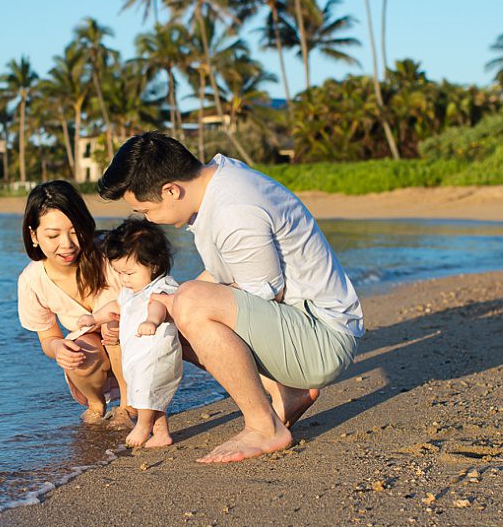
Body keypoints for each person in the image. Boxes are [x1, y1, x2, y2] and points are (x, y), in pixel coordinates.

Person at [98, 131, 362, 463]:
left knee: (189, 302)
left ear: (171, 190)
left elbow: (265, 292)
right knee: (177, 308)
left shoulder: (233, 208)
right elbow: (228, 278)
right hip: (302, 326)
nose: (149, 220)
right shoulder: (218, 183)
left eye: (146, 210)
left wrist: (181, 303)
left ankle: (264, 426)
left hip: (323, 339)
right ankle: (288, 392)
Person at [16, 181, 130, 424]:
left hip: (137, 341)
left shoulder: (111, 253)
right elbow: (48, 339)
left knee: (113, 326)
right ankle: (96, 404)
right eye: (53, 235)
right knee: (77, 349)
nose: (67, 244)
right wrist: (58, 349)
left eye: (74, 230)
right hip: (94, 352)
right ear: (33, 235)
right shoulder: (32, 280)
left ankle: (129, 405)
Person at [78, 218, 183, 451]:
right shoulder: (130, 291)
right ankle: (161, 432)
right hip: (138, 356)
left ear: (154, 264)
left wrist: (151, 320)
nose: (124, 279)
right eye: (119, 273)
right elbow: (114, 307)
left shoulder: (161, 286)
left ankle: (143, 426)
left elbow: (160, 305)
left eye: (129, 273)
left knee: (146, 391)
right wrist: (94, 319)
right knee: (148, 394)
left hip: (157, 354)